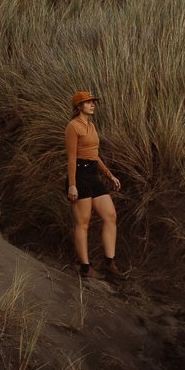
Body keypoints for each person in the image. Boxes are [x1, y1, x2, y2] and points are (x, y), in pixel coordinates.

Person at [65, 90, 126, 280]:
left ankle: (109, 263)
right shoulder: (73, 127)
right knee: (83, 223)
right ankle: (85, 268)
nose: (93, 105)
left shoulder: (90, 125)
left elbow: (94, 154)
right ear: (79, 107)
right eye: (88, 102)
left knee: (110, 216)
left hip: (93, 174)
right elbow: (72, 158)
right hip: (80, 175)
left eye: (93, 102)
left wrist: (109, 175)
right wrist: (72, 185)